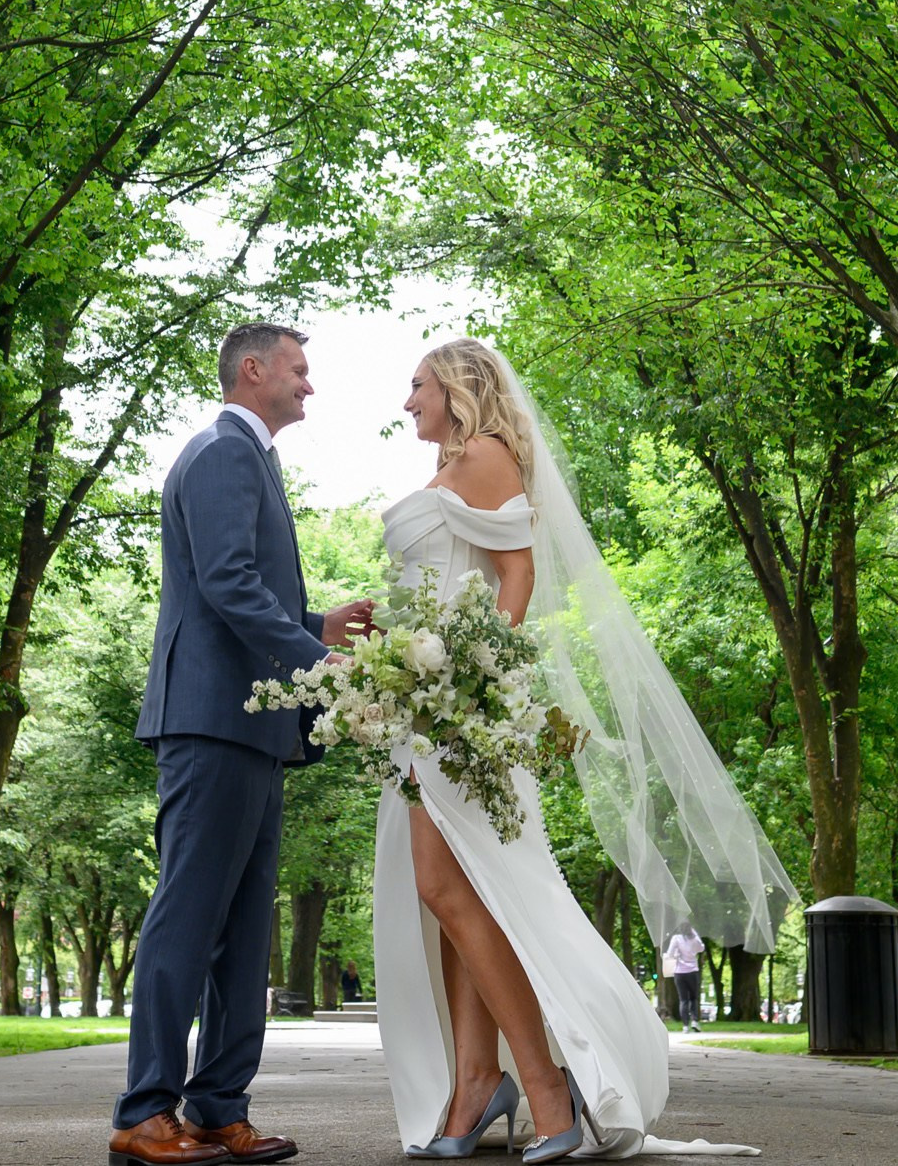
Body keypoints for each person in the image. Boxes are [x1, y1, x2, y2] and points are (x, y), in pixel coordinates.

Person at [374, 338, 788, 1161]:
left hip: (462, 713)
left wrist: (472, 686)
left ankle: (548, 1085)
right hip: (425, 708)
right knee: (463, 898)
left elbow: (515, 576)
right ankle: (473, 1087)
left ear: (457, 386)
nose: (407, 399)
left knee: (455, 890)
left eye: (417, 384)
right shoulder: (456, 464)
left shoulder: (487, 453)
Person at [110, 324, 376, 1166]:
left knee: (243, 928)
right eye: (299, 369)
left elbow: (238, 586)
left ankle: (219, 1106)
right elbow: (225, 583)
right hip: (210, 719)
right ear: (252, 370)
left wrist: (310, 624)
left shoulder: (251, 457)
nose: (309, 385)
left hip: (255, 727)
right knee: (188, 918)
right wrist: (320, 660)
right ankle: (145, 1112)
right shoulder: (223, 450)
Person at [661, 928, 705, 1034]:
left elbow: (670, 954)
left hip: (679, 972)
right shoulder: (694, 937)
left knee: (683, 1000)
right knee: (694, 998)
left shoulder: (676, 938)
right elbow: (701, 948)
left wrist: (674, 954)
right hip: (693, 971)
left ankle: (685, 1026)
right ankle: (694, 1021)